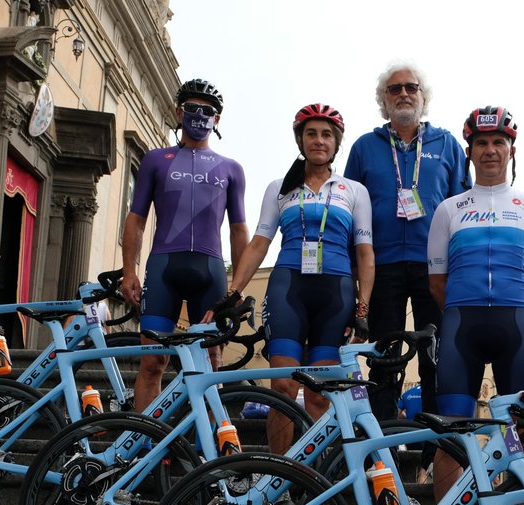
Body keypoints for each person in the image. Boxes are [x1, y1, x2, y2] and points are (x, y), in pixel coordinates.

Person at [224, 104, 373, 435]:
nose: (318, 141)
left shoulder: (354, 191)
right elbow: (259, 244)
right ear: (300, 140)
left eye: (326, 134)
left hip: (336, 296)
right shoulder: (280, 187)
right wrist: (233, 291)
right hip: (288, 290)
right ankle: (280, 482)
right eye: (311, 134)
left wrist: (363, 307)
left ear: (336, 143)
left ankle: (313, 482)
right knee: (283, 391)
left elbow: (365, 254)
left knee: (320, 396)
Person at [427, 106, 524, 491]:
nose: (490, 150)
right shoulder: (449, 209)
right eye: (481, 142)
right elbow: (436, 282)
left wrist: (510, 310)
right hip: (461, 327)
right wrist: (470, 308)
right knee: (450, 436)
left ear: (511, 149)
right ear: (469, 151)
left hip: (514, 327)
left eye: (499, 141)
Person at [344, 63, 468, 421]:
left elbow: (460, 207)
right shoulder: (365, 147)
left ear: (423, 96)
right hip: (382, 265)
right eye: (395, 89)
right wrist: (356, 271)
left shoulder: (447, 144)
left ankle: (435, 448)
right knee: (385, 356)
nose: (403, 94)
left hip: (435, 267)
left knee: (435, 355)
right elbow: (350, 209)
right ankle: (381, 447)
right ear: (384, 100)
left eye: (410, 88)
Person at [120, 79, 248, 411]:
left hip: (210, 270)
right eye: (192, 108)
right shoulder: (155, 160)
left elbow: (238, 231)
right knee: (152, 363)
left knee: (210, 365)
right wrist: (128, 271)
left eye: (208, 111)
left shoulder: (232, 169)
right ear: (179, 112)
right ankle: (143, 448)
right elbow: (136, 218)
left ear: (217, 119)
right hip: (164, 268)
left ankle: (204, 451)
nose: (200, 116)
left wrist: (238, 287)